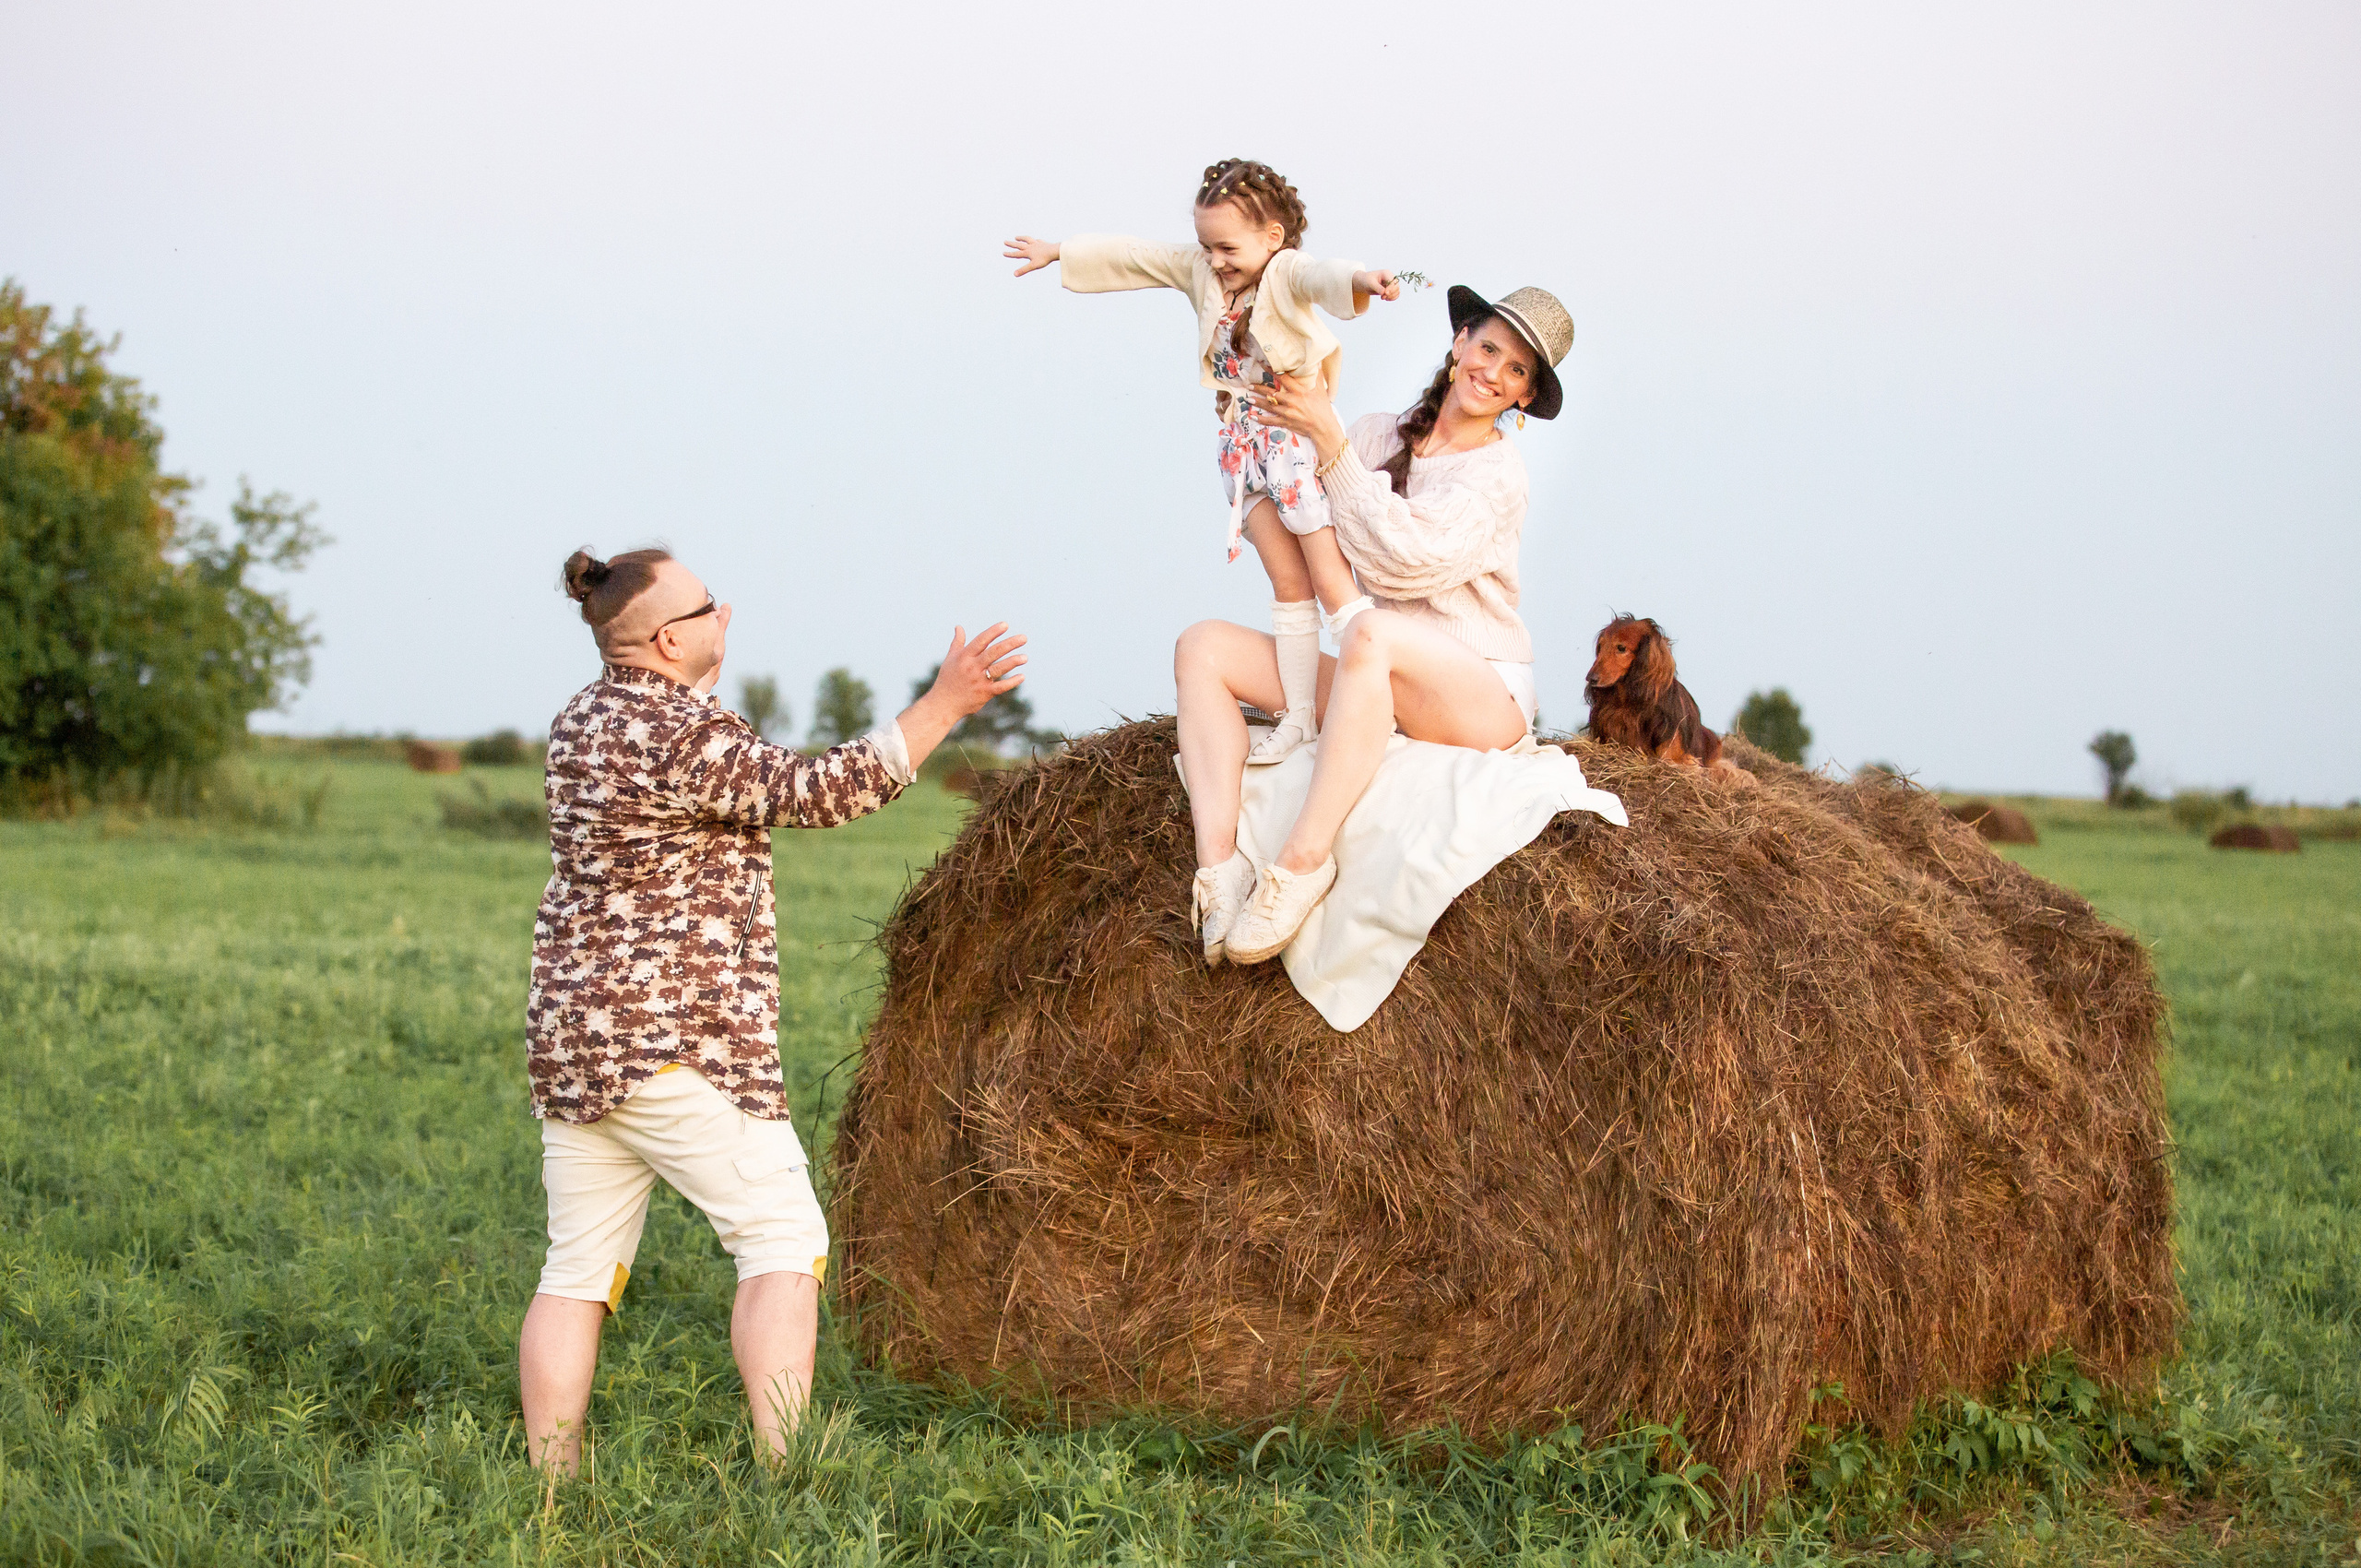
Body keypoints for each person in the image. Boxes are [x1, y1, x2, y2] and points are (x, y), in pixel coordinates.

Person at [519, 546, 1026, 1473]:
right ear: (668, 637)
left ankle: (549, 1487)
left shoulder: (580, 718)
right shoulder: (677, 732)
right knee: (784, 1238)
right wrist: (944, 705)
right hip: (673, 1041)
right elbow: (815, 790)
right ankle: (787, 1471)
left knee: (576, 1270)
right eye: (710, 604)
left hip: (572, 1041)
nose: (728, 612)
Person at [1174, 285, 1575, 965]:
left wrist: (1328, 441)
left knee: (1370, 631)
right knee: (1204, 647)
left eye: (1515, 371)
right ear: (1459, 344)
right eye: (1488, 348)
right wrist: (1251, 417)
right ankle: (1220, 871)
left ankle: (1302, 865)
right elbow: (1294, 509)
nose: (1492, 372)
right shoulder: (1374, 435)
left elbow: (1403, 564)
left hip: (1478, 695)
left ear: (1524, 398)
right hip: (1375, 678)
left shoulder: (1498, 474)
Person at [1005, 158, 1403, 766]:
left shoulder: (1287, 270)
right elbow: (1138, 256)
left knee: (1329, 582)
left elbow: (1326, 276)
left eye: (1227, 246)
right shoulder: (1201, 270)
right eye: (1206, 245)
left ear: (1272, 238)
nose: (1215, 259)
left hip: (1296, 439)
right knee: (1289, 586)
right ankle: (1298, 717)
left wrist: (1362, 281)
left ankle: (1380, 708)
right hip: (1242, 446)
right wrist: (1060, 251)